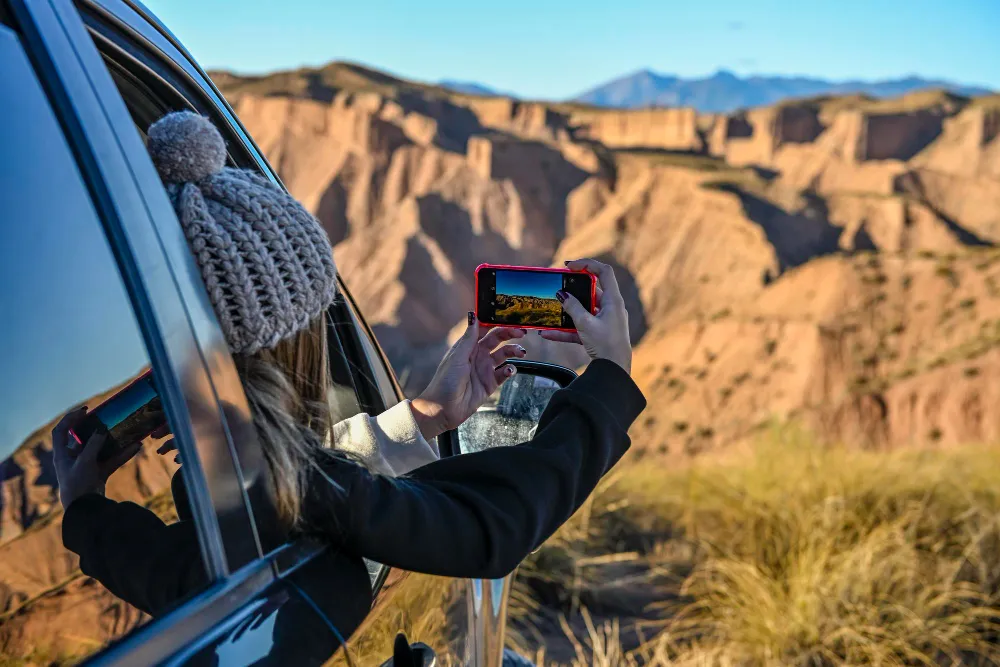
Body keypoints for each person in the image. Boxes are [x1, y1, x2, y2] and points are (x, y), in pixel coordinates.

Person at [52, 112, 644, 660]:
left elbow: (176, 573)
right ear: (299, 344)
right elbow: (489, 524)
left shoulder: (235, 489)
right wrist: (609, 377)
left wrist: (426, 417)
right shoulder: (292, 485)